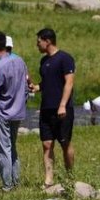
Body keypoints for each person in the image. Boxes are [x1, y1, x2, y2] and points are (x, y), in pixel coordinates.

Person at [33, 28, 76, 188]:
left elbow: (69, 82)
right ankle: (49, 179)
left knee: (65, 143)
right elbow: (47, 81)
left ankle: (70, 177)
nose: (37, 45)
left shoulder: (65, 58)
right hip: (46, 108)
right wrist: (37, 87)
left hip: (62, 109)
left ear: (47, 41)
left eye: (39, 41)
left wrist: (63, 105)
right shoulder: (44, 61)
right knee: (46, 144)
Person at [0, 30, 29, 190]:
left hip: (3, 111)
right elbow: (26, 85)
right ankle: (16, 180)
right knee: (12, 146)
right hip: (18, 111)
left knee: (3, 149)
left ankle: (7, 184)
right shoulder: (20, 61)